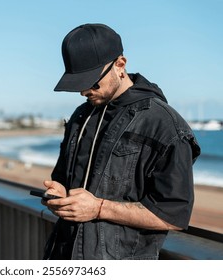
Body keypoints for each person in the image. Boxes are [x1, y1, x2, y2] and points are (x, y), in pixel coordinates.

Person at [41, 23, 200, 260]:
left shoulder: (165, 126)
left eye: (92, 82)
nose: (85, 92)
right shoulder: (81, 116)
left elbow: (172, 214)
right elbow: (64, 179)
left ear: (120, 65)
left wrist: (98, 208)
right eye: (79, 84)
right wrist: (59, 194)